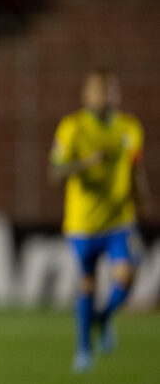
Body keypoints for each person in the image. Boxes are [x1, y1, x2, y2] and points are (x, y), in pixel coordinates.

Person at [49, 70, 152, 373]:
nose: (105, 95)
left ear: (117, 94)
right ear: (86, 95)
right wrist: (85, 163)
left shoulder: (130, 128)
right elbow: (54, 172)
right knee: (88, 285)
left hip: (119, 218)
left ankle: (104, 319)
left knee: (127, 276)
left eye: (110, 90)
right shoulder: (72, 128)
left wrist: (143, 196)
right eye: (98, 91)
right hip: (82, 222)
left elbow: (135, 167)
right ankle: (84, 351)